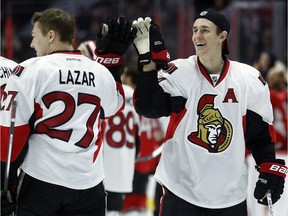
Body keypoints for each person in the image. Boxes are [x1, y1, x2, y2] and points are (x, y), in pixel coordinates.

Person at [131, 10, 287, 215]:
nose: (197, 36)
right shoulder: (180, 72)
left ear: (222, 36)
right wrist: (147, 64)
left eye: (205, 30)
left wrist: (267, 166)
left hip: (230, 197)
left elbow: (260, 137)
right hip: (181, 192)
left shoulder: (249, 79)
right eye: (195, 30)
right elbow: (148, 106)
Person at [0, 8, 136, 215]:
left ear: (51, 35)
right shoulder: (99, 71)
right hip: (89, 185)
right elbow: (114, 107)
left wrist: (6, 183)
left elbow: (12, 136)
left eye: (35, 36)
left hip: (41, 181)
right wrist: (112, 65)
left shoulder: (31, 70)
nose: (31, 44)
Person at [102, 68, 141, 216]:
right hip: (124, 166)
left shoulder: (114, 90)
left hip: (104, 162)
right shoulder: (137, 98)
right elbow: (137, 138)